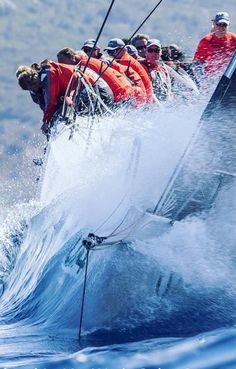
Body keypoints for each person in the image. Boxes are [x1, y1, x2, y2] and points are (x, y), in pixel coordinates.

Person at [104, 38, 153, 104]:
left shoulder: (126, 61)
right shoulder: (123, 59)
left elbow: (121, 79)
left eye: (113, 51)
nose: (110, 54)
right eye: (109, 51)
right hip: (142, 94)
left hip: (141, 96)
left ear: (123, 49)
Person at [193, 12, 236, 81]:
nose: (221, 28)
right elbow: (196, 64)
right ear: (214, 24)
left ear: (228, 25)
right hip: (211, 79)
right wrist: (203, 81)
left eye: (224, 25)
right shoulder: (206, 41)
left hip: (230, 79)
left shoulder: (234, 39)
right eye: (219, 24)